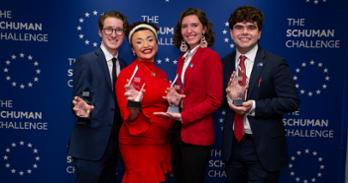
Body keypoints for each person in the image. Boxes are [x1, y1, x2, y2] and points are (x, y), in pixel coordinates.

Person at [221, 6, 300, 183]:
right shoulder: (224, 63)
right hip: (232, 146)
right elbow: (219, 101)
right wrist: (231, 99)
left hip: (264, 149)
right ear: (232, 33)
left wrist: (254, 106)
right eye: (239, 27)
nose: (245, 32)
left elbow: (291, 101)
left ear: (259, 33)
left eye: (251, 27)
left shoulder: (275, 63)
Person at [156, 8, 223, 183]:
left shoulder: (210, 57)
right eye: (184, 26)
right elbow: (189, 95)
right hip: (178, 132)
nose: (189, 30)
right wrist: (175, 99)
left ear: (204, 29)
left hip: (197, 135)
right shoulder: (183, 58)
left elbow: (215, 100)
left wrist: (184, 115)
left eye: (194, 25)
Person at [68, 11, 128, 183]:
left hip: (113, 148)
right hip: (90, 147)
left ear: (123, 34)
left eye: (119, 30)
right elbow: (79, 100)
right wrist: (82, 111)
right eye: (109, 29)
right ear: (100, 32)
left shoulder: (124, 65)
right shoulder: (86, 61)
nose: (114, 34)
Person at [115, 22, 174, 183]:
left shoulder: (162, 74)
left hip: (160, 141)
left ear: (157, 43)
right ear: (133, 49)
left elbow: (168, 108)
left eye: (149, 39)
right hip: (139, 143)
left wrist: (175, 104)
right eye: (139, 41)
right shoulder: (128, 74)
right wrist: (134, 104)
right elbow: (129, 118)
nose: (146, 45)